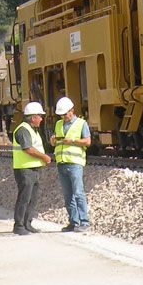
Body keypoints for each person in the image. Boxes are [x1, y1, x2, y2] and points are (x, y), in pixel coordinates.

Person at [11, 101, 51, 235]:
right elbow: (28, 149)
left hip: (33, 169)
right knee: (24, 198)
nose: (41, 119)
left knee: (32, 198)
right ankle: (19, 226)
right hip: (24, 170)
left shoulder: (32, 130)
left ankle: (27, 224)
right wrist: (44, 157)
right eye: (39, 116)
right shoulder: (23, 130)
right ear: (33, 117)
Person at [51, 96, 91, 232]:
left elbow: (87, 141)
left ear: (72, 111)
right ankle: (73, 222)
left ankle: (84, 222)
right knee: (68, 195)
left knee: (79, 193)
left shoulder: (81, 123)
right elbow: (56, 142)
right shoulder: (58, 124)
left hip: (75, 163)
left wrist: (73, 140)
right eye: (61, 115)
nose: (63, 117)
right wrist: (53, 140)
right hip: (61, 163)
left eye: (65, 114)